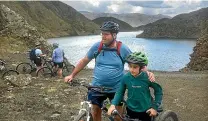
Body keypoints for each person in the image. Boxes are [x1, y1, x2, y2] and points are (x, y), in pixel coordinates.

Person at [64, 21, 155, 121]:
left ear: (114, 35)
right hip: (96, 87)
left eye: (106, 34)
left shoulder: (122, 48)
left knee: (117, 117)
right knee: (95, 112)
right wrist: (72, 75)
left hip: (116, 89)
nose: (103, 36)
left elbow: (137, 63)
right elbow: (84, 60)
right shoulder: (97, 47)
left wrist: (148, 72)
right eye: (102, 34)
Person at [107, 52, 163, 121]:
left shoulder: (147, 77)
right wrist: (113, 105)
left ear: (141, 67)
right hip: (131, 109)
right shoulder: (125, 77)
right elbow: (120, 92)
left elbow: (158, 91)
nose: (131, 70)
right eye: (130, 66)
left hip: (146, 110)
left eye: (135, 67)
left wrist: (154, 107)